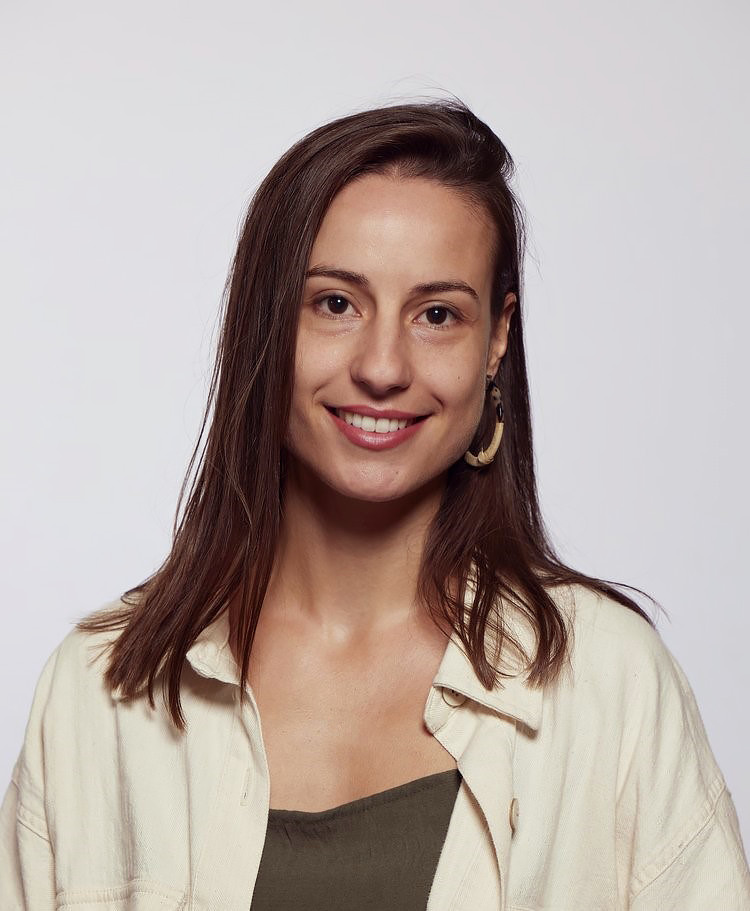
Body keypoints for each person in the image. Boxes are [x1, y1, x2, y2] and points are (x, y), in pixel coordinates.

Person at [1, 97, 748, 910]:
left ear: (496, 337)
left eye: (436, 314)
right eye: (335, 303)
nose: (383, 366)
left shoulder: (608, 682)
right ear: (264, 320)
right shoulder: (102, 690)